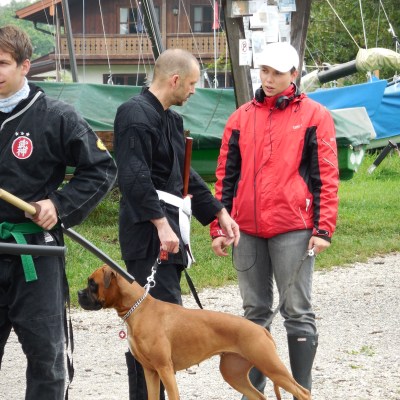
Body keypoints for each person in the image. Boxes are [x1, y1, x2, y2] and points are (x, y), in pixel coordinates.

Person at [210, 41, 339, 399]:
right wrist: (219, 225)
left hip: (293, 228)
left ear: (293, 74)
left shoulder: (315, 115)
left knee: (296, 310)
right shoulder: (240, 117)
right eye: (264, 71)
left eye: (277, 73)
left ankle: (301, 392)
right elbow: (225, 177)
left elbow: (326, 176)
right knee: (254, 312)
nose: (268, 79)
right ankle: (254, 392)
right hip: (245, 230)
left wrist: (323, 228)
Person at [113, 48, 240, 400]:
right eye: (193, 84)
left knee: (165, 327)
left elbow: (183, 176)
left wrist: (218, 212)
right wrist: (160, 224)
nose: (195, 90)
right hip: (147, 232)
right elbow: (134, 175)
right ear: (175, 80)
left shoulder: (171, 120)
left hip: (168, 226)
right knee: (150, 329)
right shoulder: (134, 114)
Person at [0, 25, 117, 400]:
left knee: (48, 362)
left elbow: (101, 168)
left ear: (25, 66)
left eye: (2, 63)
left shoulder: (55, 116)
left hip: (35, 253)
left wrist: (59, 204)